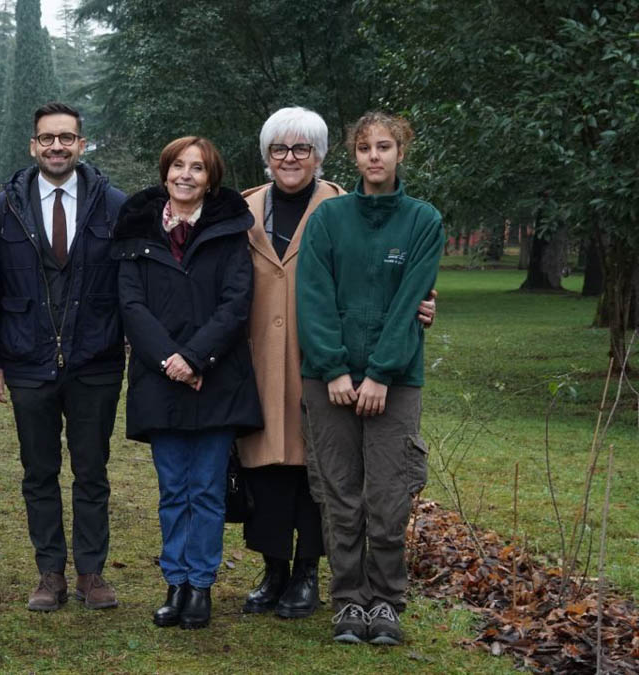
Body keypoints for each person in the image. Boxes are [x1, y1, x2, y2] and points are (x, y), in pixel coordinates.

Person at [238, 107, 437, 619]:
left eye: (301, 148)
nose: (289, 157)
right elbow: (308, 294)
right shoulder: (265, 212)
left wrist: (383, 364)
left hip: (358, 367)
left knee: (359, 488)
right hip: (289, 363)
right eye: (279, 148)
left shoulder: (392, 216)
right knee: (299, 478)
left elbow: (403, 291)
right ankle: (306, 582)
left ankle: (350, 588)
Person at [296, 111, 443, 646]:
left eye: (384, 146)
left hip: (396, 379)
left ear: (400, 153)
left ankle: (386, 602)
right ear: (353, 156)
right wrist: (334, 367)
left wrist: (381, 374)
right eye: (364, 147)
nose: (374, 156)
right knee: (340, 495)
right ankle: (349, 603)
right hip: (327, 378)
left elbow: (412, 300)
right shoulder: (328, 219)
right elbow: (312, 298)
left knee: (387, 495)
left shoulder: (423, 220)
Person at [112, 137, 263, 629]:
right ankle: (174, 583)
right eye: (178, 166)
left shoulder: (229, 232)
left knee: (207, 491)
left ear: (210, 179)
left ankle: (201, 586)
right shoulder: (137, 232)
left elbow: (236, 303)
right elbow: (132, 306)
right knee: (173, 489)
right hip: (160, 382)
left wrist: (196, 359)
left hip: (217, 379)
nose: (186, 175)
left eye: (197, 168)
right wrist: (170, 362)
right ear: (164, 173)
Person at [0, 102, 127, 612]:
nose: (57, 146)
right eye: (47, 138)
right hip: (27, 360)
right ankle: (50, 574)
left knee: (92, 472)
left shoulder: (114, 204)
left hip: (97, 361)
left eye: (67, 137)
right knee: (37, 473)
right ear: (33, 146)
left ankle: (91, 573)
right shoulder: (4, 207)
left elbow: (130, 284)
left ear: (82, 144)